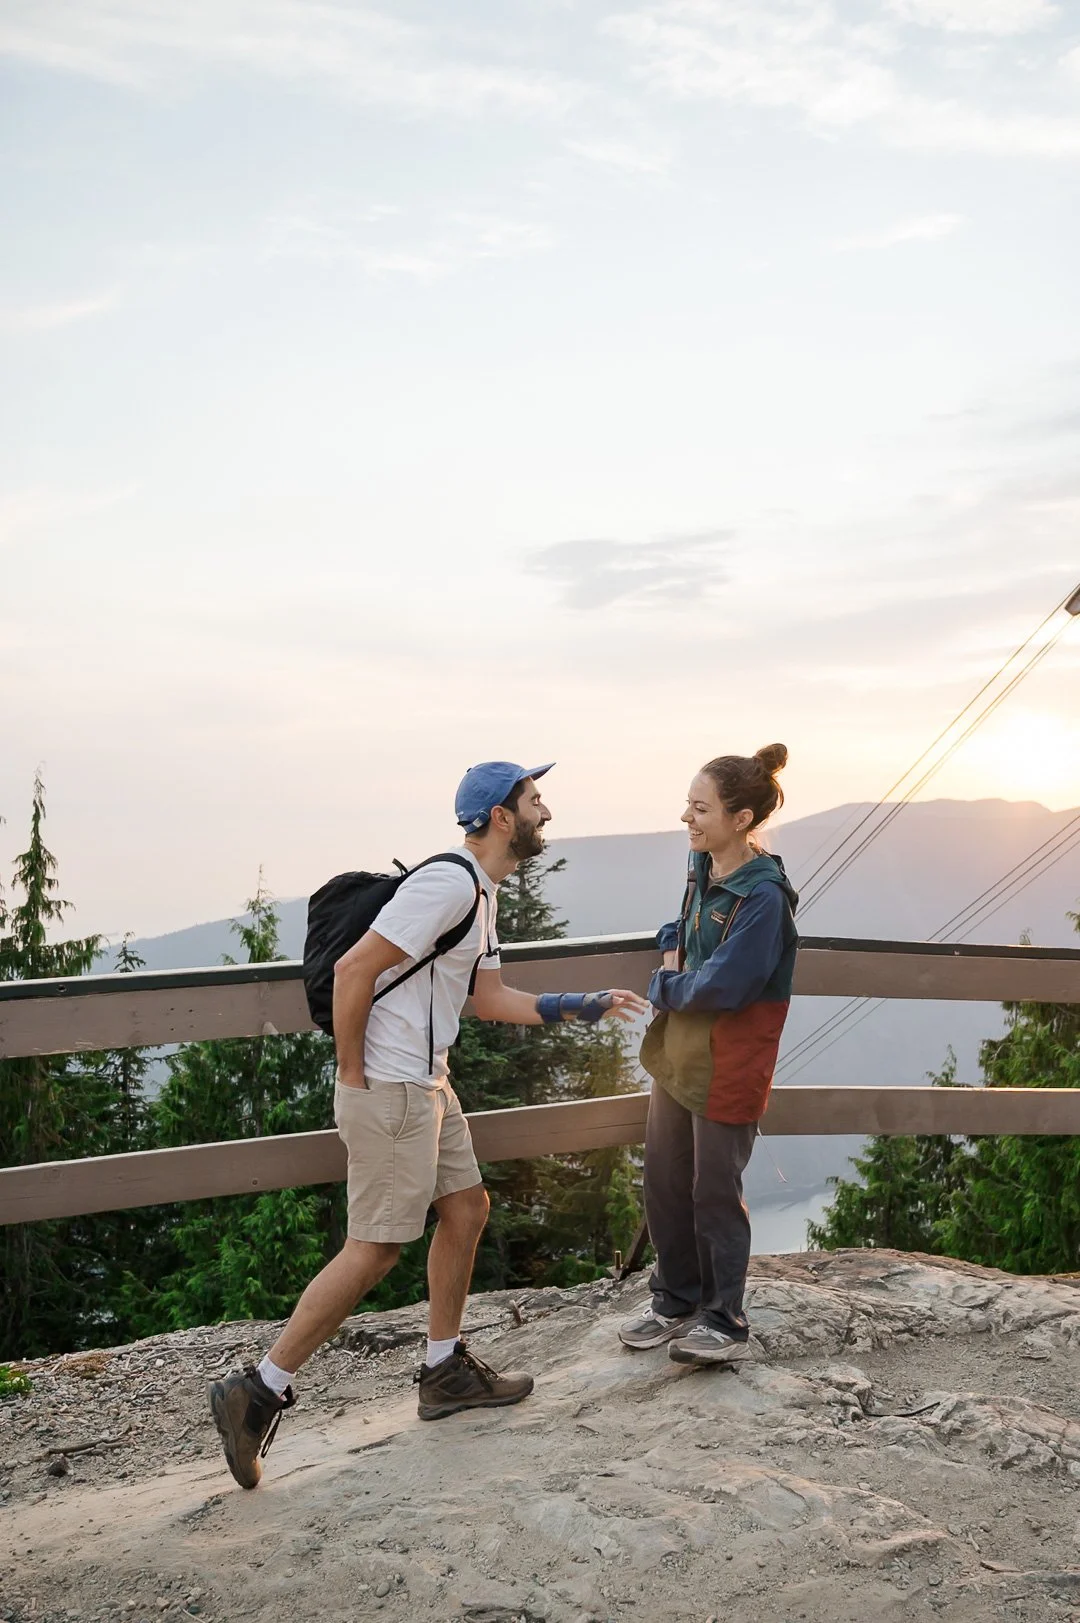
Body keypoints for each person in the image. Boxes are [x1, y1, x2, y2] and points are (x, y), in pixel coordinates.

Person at [210, 760, 648, 1489]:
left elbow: (490, 995)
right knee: (376, 1249)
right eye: (535, 800)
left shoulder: (482, 893)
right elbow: (354, 971)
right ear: (502, 817)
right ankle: (255, 1389)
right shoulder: (447, 882)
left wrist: (581, 1004)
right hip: (392, 1087)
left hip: (428, 1085)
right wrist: (354, 1073)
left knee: (467, 1207)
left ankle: (443, 1371)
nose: (546, 809)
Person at [619, 744, 798, 1366]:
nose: (687, 819)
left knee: (714, 1190)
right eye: (688, 806)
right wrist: (673, 950)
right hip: (680, 1053)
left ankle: (724, 1320)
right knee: (665, 1182)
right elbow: (683, 928)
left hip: (731, 1060)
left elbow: (725, 985)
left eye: (700, 809)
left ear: (741, 818)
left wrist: (665, 984)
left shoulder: (764, 897)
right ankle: (674, 1300)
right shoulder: (704, 866)